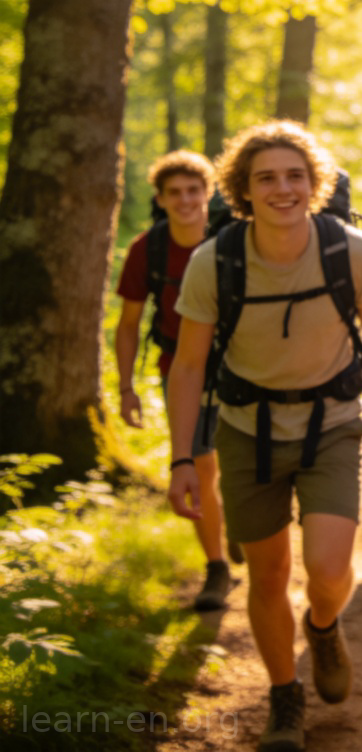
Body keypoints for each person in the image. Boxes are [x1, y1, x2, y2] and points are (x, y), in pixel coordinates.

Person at [166, 120, 362, 752]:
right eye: (266, 178)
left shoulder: (349, 248)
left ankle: (323, 625)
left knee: (328, 568)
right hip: (247, 431)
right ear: (243, 189)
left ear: (315, 182)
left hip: (332, 424)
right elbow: (188, 365)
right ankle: (283, 697)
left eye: (295, 176)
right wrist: (182, 456)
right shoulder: (214, 261)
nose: (283, 189)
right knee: (268, 575)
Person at [115, 149, 237, 611]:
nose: (185, 200)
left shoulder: (233, 240)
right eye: (175, 193)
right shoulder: (149, 249)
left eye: (194, 190)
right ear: (161, 199)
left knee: (241, 459)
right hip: (179, 371)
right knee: (199, 465)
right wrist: (126, 388)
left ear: (209, 194)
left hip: (242, 368)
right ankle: (217, 566)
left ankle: (242, 527)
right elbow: (127, 324)